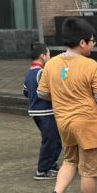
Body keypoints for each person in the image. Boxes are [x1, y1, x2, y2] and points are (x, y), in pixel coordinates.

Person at [38, 18, 97, 193]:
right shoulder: (90, 65)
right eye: (92, 40)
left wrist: (61, 96)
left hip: (64, 122)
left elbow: (42, 93)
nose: (94, 44)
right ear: (82, 43)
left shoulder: (52, 63)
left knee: (70, 160)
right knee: (89, 169)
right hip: (87, 123)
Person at [23, 42, 62, 180]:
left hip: (36, 111)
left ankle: (51, 164)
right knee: (50, 140)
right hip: (45, 111)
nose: (50, 57)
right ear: (42, 56)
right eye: (49, 54)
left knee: (55, 139)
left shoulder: (29, 72)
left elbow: (25, 91)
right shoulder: (42, 72)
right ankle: (42, 170)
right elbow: (46, 92)